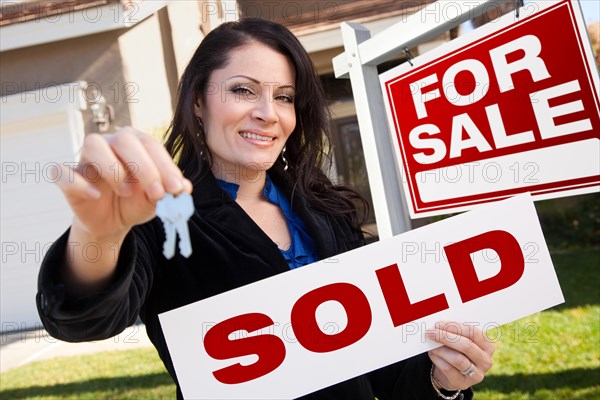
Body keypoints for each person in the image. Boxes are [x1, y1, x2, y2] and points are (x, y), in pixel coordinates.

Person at [37, 18, 494, 400]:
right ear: (198, 101)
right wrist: (98, 233)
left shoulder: (325, 210)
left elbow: (389, 371)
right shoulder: (158, 219)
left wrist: (444, 382)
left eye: (284, 97)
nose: (267, 113)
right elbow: (81, 320)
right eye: (242, 90)